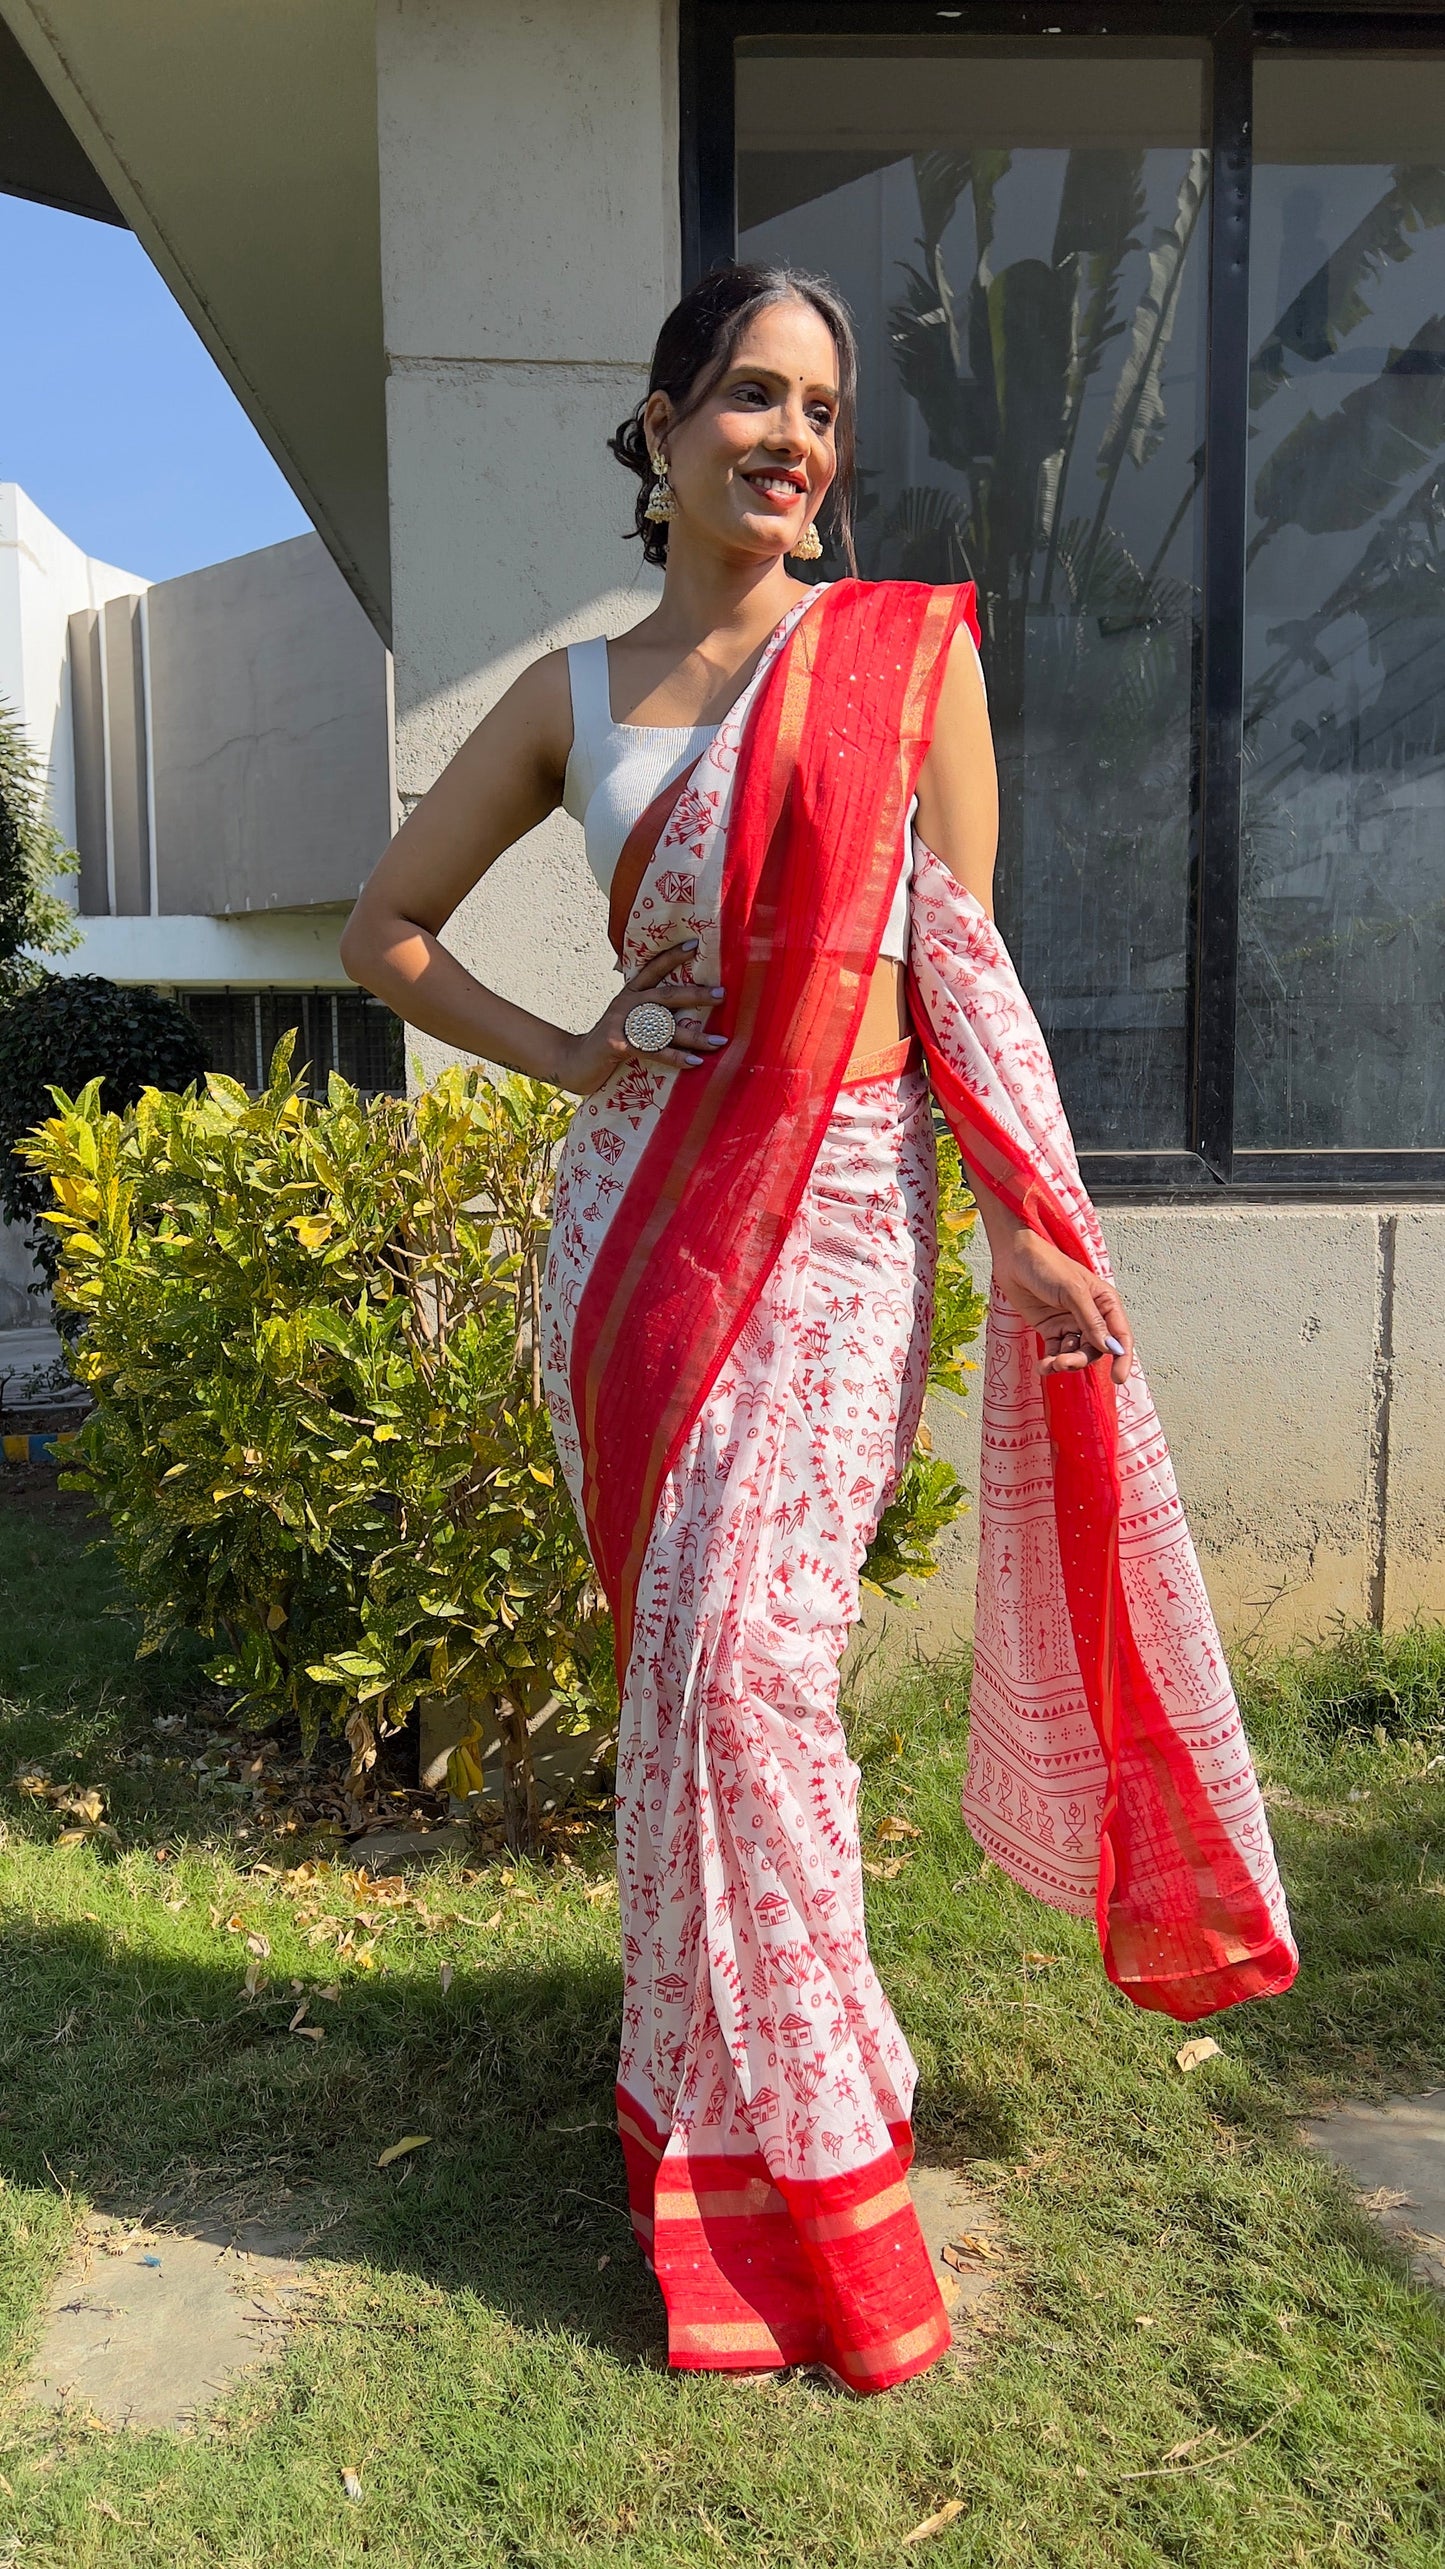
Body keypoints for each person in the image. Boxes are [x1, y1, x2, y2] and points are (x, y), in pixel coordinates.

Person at [340, 263, 1297, 2395]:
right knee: (685, 1674)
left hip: (851, 1207)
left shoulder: (900, 660)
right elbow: (381, 932)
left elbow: (962, 974)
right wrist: (578, 1056)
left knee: (759, 1666)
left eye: (822, 412)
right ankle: (714, 2117)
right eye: (751, 398)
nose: (790, 438)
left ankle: (824, 2116)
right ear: (663, 426)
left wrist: (1028, 1223)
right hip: (645, 1231)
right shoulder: (571, 701)